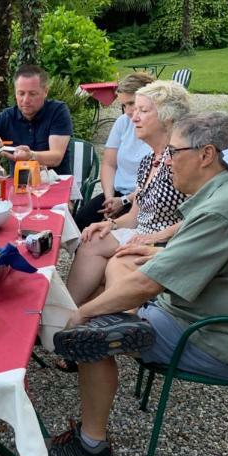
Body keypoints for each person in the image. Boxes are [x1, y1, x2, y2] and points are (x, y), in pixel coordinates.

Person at [48, 112, 228, 456]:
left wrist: (83, 312)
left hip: (213, 335)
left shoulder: (221, 209)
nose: (168, 161)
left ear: (206, 155)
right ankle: (131, 320)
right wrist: (159, 253)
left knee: (92, 329)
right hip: (206, 312)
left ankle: (91, 446)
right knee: (122, 273)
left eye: (174, 152)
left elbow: (149, 284)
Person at [65, 80, 191, 311]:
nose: (133, 117)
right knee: (92, 238)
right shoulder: (148, 161)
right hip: (140, 232)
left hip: (168, 242)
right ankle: (66, 312)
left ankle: (114, 324)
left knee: (116, 263)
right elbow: (135, 215)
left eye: (143, 111)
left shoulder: (183, 160)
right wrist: (110, 225)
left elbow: (203, 213)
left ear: (168, 117)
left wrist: (156, 237)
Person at [74, 73, 153, 231]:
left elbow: (154, 180)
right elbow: (109, 164)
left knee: (105, 234)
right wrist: (110, 198)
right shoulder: (123, 122)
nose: (129, 111)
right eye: (124, 105)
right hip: (118, 193)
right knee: (80, 221)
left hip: (144, 198)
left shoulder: (158, 128)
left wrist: (124, 201)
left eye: (132, 103)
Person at [0, 64, 73, 174]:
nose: (25, 100)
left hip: (56, 184)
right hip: (19, 187)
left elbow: (56, 157)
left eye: (32, 94)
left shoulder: (57, 111)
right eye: (21, 93)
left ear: (45, 92)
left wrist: (31, 156)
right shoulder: (7, 117)